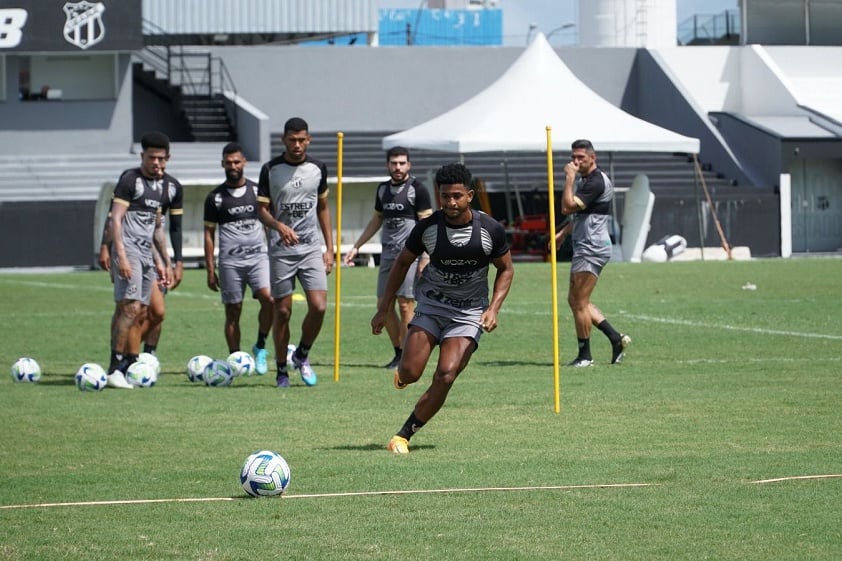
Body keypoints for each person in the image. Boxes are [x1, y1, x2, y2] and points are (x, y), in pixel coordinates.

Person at [372, 162, 514, 455]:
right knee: (410, 373)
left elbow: (506, 270)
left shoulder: (490, 229)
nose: (450, 202)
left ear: (470, 195)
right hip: (432, 307)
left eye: (457, 196)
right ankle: (403, 375)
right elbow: (402, 263)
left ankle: (403, 434)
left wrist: (494, 309)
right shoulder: (428, 228)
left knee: (446, 374)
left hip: (469, 314)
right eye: (445, 196)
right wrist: (384, 308)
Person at [257, 117, 335, 388]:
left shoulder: (318, 168)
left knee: (319, 306)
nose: (297, 145)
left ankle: (301, 354)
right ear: (284, 140)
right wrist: (279, 226)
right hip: (281, 251)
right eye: (292, 140)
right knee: (284, 311)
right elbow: (261, 210)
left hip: (311, 248)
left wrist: (330, 248)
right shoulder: (270, 169)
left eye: (302, 140)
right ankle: (281, 370)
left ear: (309, 139)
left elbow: (323, 207)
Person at [343, 146, 433, 369]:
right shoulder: (382, 190)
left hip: (410, 257)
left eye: (402, 163)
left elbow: (427, 226)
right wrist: (357, 246)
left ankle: (409, 356)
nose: (398, 167)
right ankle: (398, 350)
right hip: (388, 256)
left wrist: (425, 257)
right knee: (383, 304)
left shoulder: (418, 189)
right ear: (387, 165)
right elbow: (376, 220)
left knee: (405, 304)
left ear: (409, 165)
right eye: (394, 163)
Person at [99, 135, 184, 359]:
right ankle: (121, 361)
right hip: (129, 249)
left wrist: (168, 262)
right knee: (130, 307)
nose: (156, 162)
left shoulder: (171, 187)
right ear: (142, 157)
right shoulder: (129, 180)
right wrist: (108, 248)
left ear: (168, 158)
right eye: (151, 157)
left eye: (160, 158)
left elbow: (160, 229)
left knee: (152, 311)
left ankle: (140, 357)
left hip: (150, 253)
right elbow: (114, 218)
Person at [554, 139, 630, 367]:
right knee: (577, 300)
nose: (575, 162)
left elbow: (566, 207)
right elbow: (582, 215)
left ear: (592, 158)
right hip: (586, 245)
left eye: (580, 158)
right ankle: (616, 339)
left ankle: (585, 356)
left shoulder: (595, 181)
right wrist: (564, 233)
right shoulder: (588, 180)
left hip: (591, 248)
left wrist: (569, 179)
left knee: (578, 303)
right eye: (573, 157)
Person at [203, 142, 273, 373]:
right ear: (222, 164)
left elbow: (269, 224)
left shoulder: (257, 192)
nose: (233, 166)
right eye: (228, 162)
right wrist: (210, 269)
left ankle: (260, 346)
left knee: (269, 299)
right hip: (230, 263)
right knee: (233, 311)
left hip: (258, 259)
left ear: (244, 162)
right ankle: (235, 359)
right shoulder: (215, 198)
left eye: (236, 162)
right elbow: (209, 234)